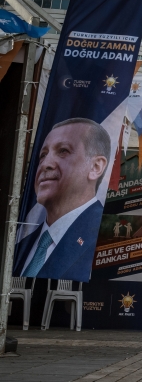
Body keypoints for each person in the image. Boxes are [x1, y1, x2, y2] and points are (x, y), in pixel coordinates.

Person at [15, 118, 110, 279]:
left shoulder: (107, 239)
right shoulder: (20, 246)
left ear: (95, 167)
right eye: (43, 155)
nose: (46, 164)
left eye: (63, 151)